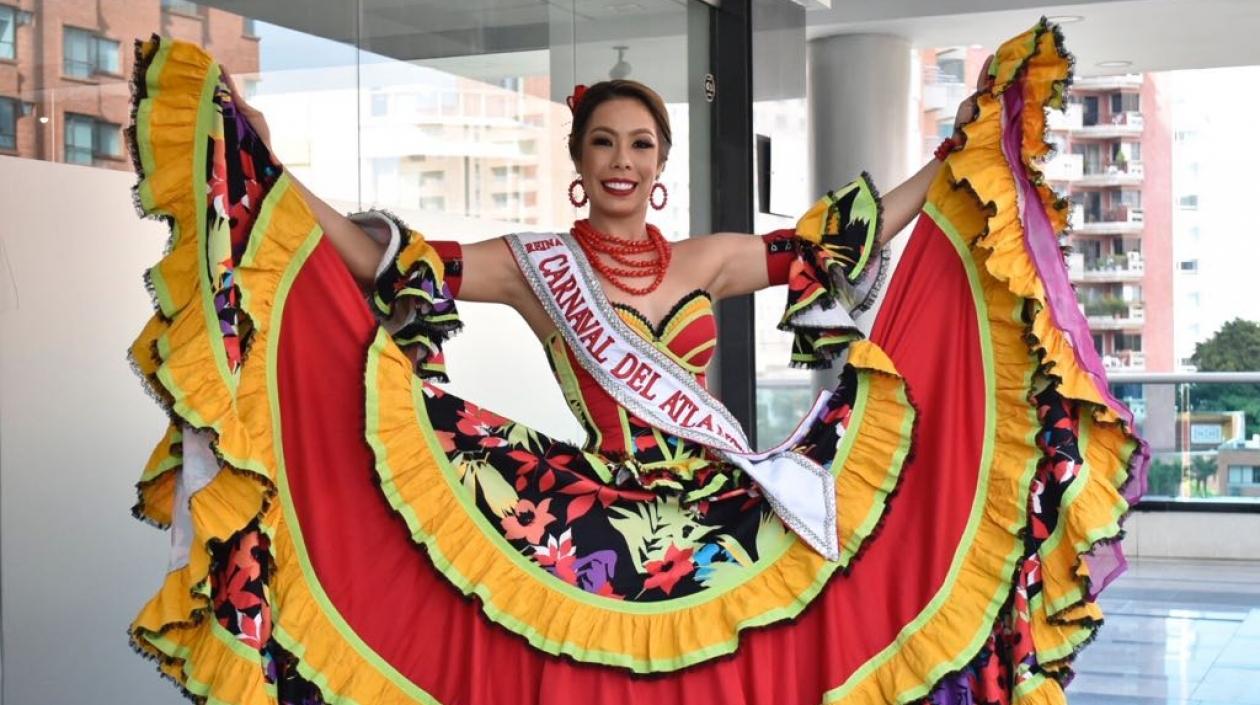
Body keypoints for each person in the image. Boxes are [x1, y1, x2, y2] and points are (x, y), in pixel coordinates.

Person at [125, 19, 1146, 705]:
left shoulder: (709, 257)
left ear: (661, 166)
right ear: (581, 162)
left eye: (641, 145)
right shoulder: (537, 267)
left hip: (722, 497)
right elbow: (385, 259)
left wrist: (959, 150)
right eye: (605, 143)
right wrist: (265, 164)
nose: (623, 160)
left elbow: (843, 245)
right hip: (597, 502)